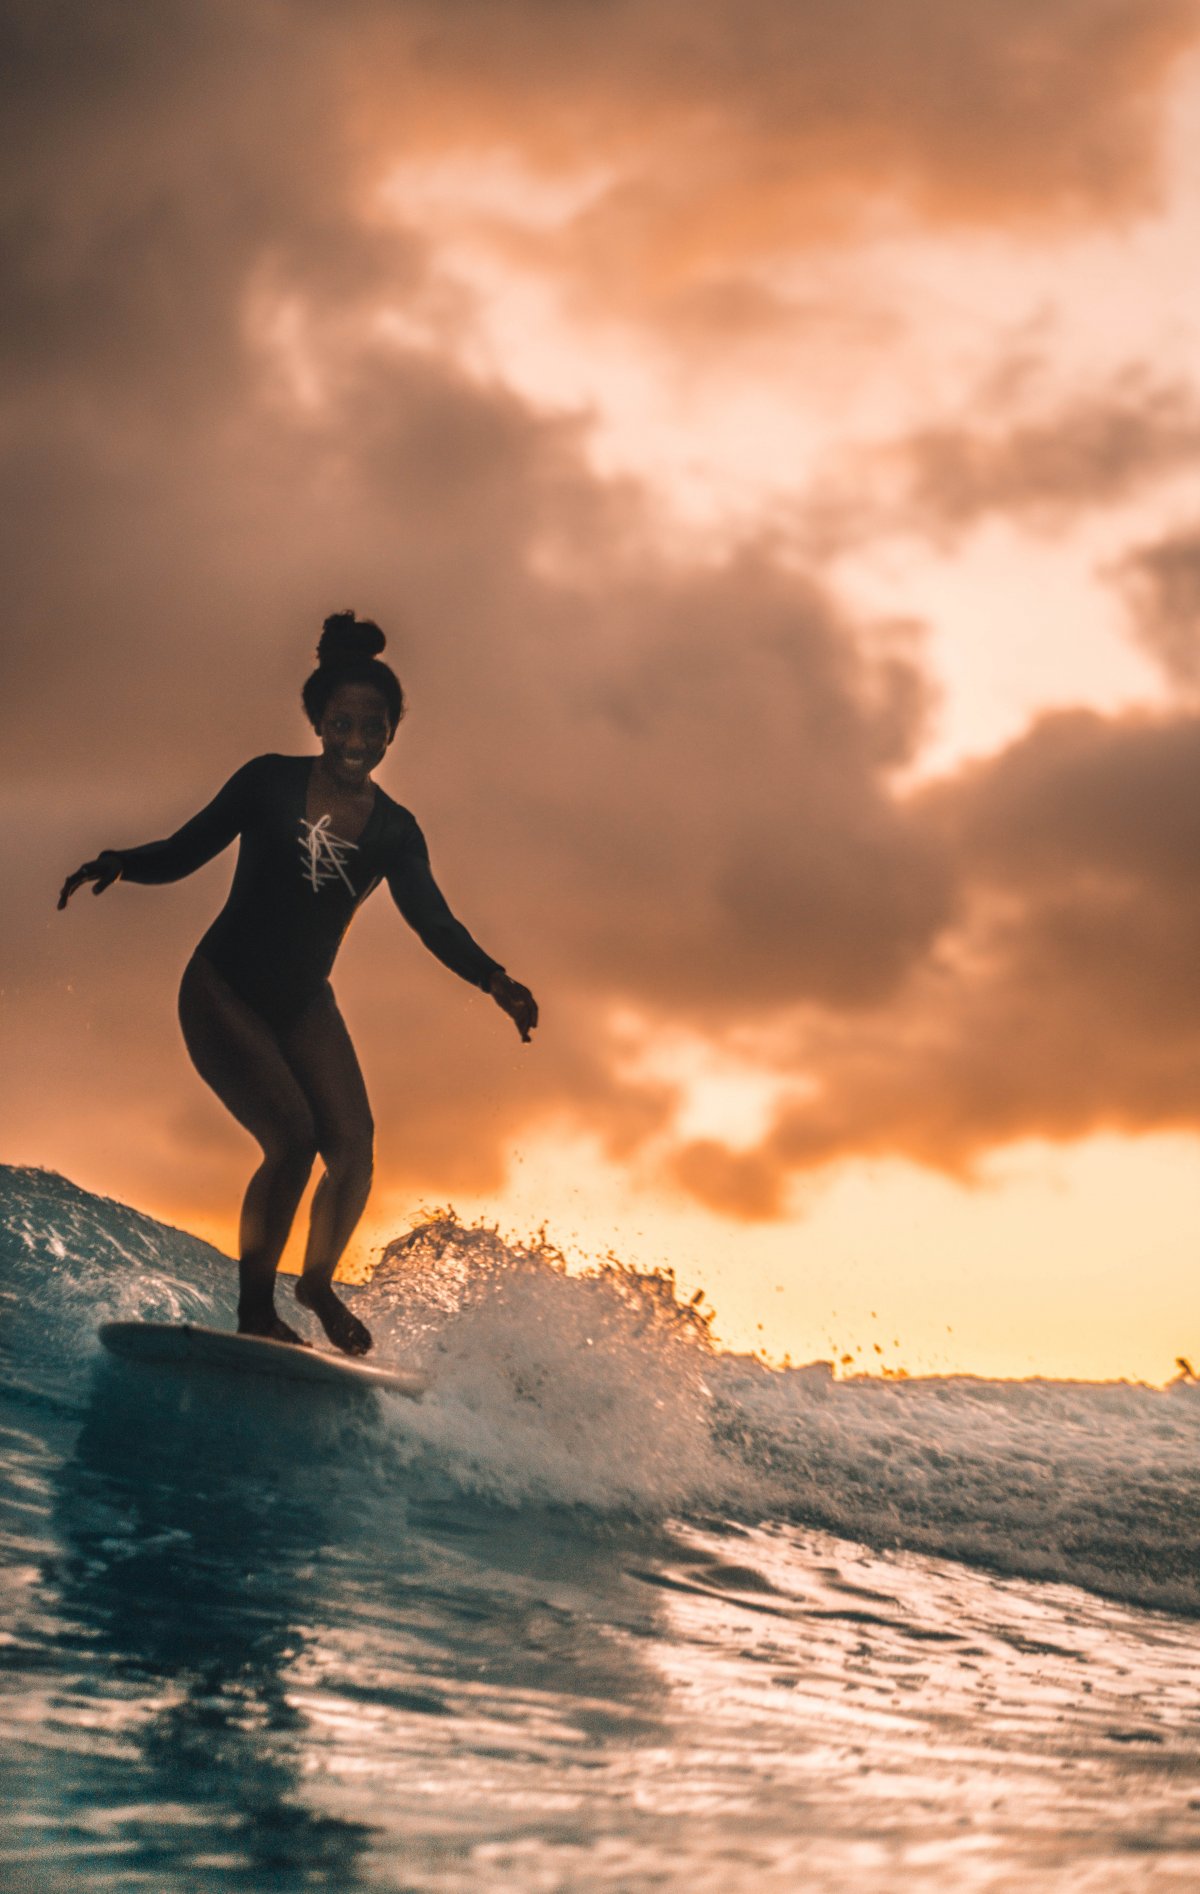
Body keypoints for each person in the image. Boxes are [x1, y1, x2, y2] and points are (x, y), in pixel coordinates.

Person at [58, 612, 537, 1356]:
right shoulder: (268, 781)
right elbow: (186, 851)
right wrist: (121, 861)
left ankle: (314, 1284)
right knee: (293, 1139)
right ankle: (256, 1312)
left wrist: (496, 981)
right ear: (318, 721)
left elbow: (433, 922)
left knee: (354, 1146)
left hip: (305, 1001)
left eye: (372, 728)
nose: (355, 740)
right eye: (341, 723)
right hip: (223, 990)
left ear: (391, 734)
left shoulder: (396, 832)